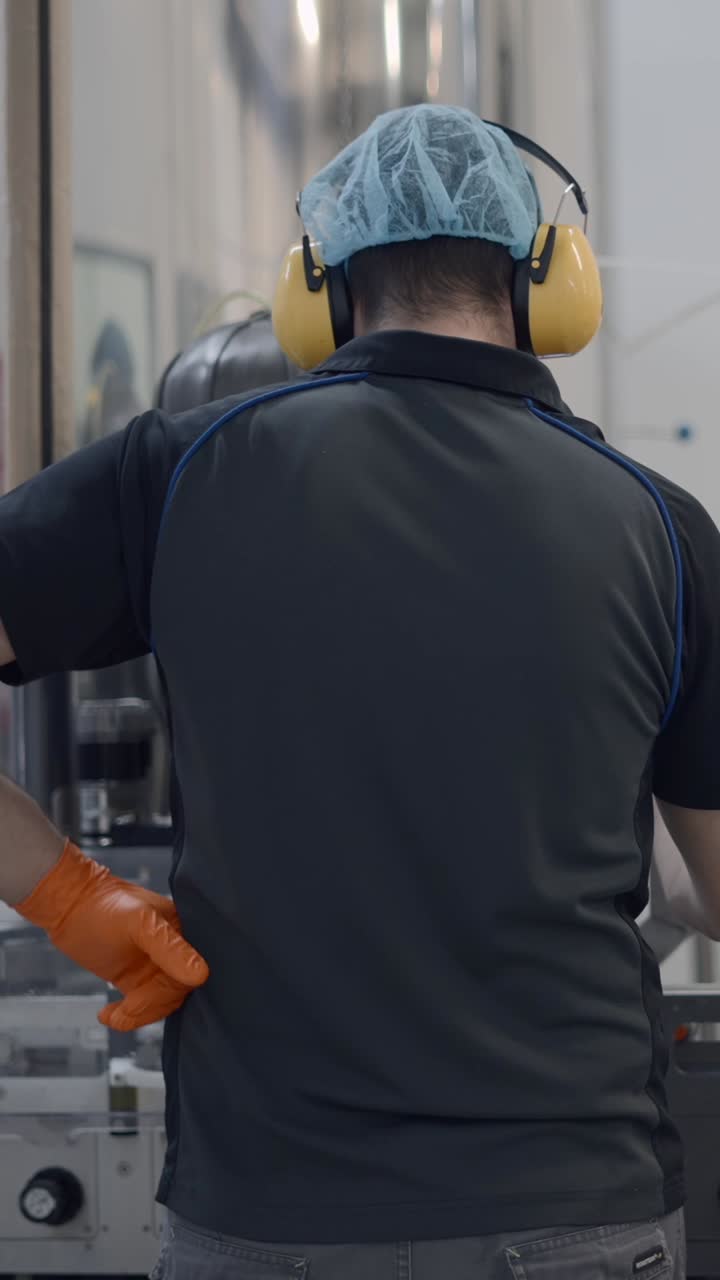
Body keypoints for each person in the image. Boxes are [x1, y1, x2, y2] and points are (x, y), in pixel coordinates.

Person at [0, 103, 715, 1279]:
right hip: (574, 1200)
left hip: (267, 1213)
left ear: (318, 289)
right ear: (547, 284)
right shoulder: (660, 525)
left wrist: (68, 893)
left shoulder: (179, 472)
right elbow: (714, 887)